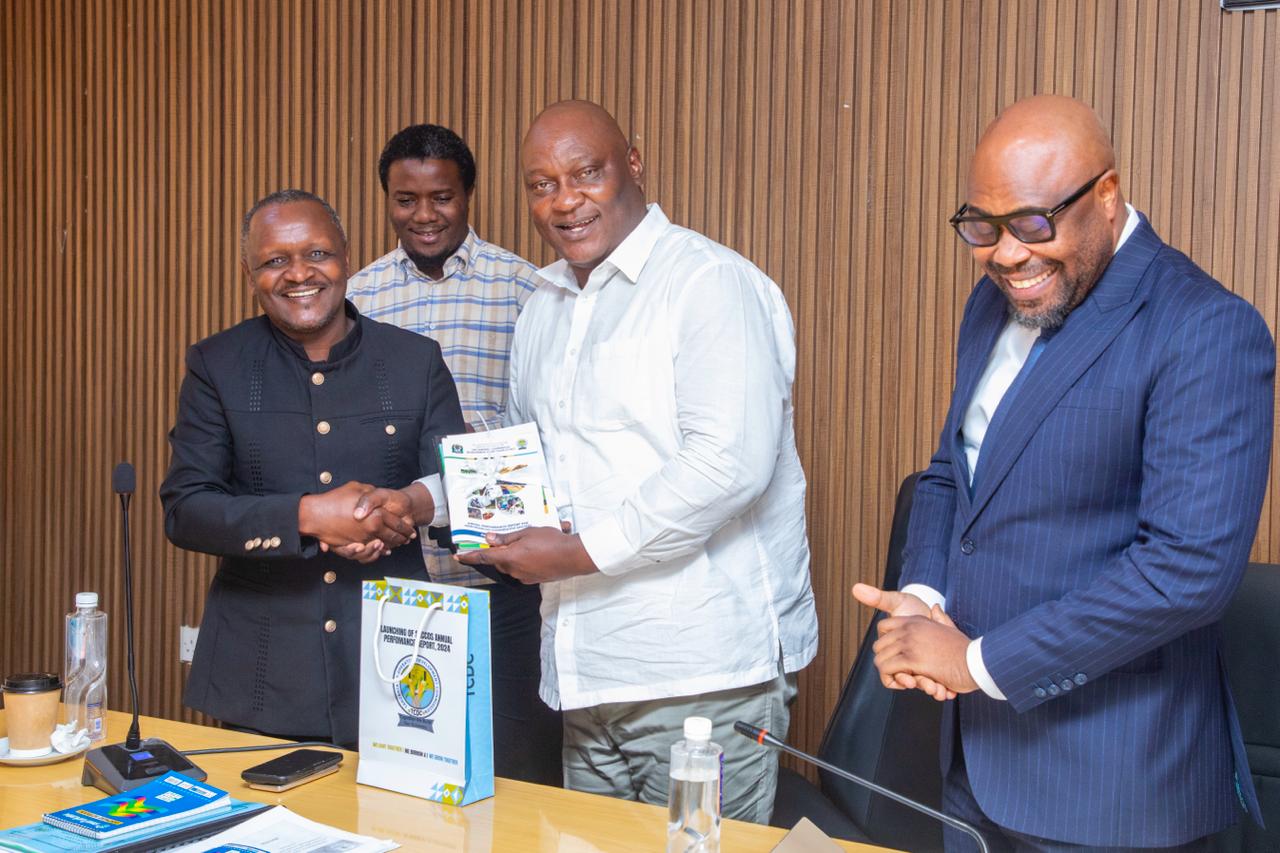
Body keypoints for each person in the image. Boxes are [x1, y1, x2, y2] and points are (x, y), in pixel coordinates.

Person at [853, 95, 1275, 850]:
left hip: (1112, 790)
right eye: (982, 227)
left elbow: (1186, 572)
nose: (1006, 255)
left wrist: (976, 661)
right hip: (972, 765)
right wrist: (923, 596)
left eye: (1032, 224)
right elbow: (954, 472)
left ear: (1106, 195)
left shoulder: (1205, 327)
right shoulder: (991, 305)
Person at [455, 100, 819, 823]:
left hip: (701, 678)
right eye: (542, 184)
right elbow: (524, 461)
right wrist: (419, 501)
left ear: (634, 164)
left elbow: (727, 465)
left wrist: (577, 552)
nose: (565, 200)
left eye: (585, 173)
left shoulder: (708, 282)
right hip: (586, 673)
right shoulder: (544, 307)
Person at [161, 189, 466, 748]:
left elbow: (459, 483)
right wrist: (308, 516)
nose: (299, 273)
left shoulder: (415, 359)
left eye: (317, 254)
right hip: (261, 673)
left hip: (401, 666)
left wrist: (400, 510)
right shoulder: (216, 364)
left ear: (346, 258)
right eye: (275, 260)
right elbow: (186, 509)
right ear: (249, 275)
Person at [346, 123, 561, 785]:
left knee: (517, 771)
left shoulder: (527, 290)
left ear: (468, 195)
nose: (424, 215)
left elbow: (550, 425)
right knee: (402, 768)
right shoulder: (358, 298)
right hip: (397, 577)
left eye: (441, 197)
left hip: (501, 576)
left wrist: (470, 444)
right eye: (405, 199)